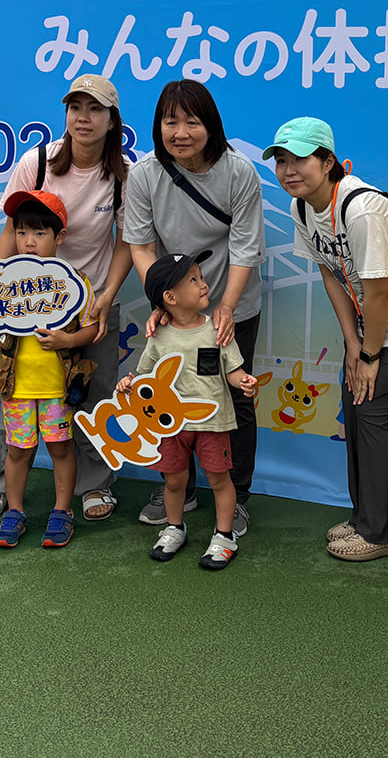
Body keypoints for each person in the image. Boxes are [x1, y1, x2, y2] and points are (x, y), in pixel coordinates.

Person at [266, 117, 388, 562]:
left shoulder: (363, 209)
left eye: (300, 159)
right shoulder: (302, 208)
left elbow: (378, 290)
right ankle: (366, 517)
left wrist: (370, 355)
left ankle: (386, 532)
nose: (289, 170)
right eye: (282, 161)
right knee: (356, 403)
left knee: (378, 413)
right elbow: (331, 274)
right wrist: (352, 343)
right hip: (376, 324)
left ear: (328, 162)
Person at [0, 74, 132, 522]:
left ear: (112, 119)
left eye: (95, 109)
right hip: (27, 301)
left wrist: (106, 295)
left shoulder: (123, 175)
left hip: (90, 302)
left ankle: (94, 485)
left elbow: (126, 241)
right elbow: (11, 229)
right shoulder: (37, 163)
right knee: (14, 388)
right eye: (75, 107)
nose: (84, 118)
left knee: (92, 393)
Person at [125, 79, 265, 532]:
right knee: (169, 391)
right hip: (175, 309)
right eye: (171, 122)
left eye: (192, 122)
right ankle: (177, 489)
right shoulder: (145, 174)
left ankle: (237, 496)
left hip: (233, 302)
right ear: (158, 127)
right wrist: (164, 302)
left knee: (235, 395)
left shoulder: (239, 172)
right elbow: (141, 246)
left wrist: (225, 307)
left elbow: (245, 247)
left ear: (211, 126)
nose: (180, 132)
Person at [122, 251, 259, 570]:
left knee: (220, 480)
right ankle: (175, 528)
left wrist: (244, 381)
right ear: (169, 298)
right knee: (173, 482)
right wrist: (128, 384)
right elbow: (143, 378)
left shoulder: (218, 329)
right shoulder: (158, 336)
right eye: (193, 280)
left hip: (213, 423)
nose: (204, 284)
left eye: (201, 276)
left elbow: (233, 371)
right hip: (170, 426)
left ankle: (224, 537)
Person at [0, 191, 100, 548]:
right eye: (21, 232)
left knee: (61, 449)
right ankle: (15, 512)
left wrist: (67, 340)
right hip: (16, 387)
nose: (29, 241)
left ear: (59, 236)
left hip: (58, 388)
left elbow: (91, 328)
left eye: (39, 233)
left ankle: (62, 512)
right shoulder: (3, 282)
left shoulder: (75, 282)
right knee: (17, 451)